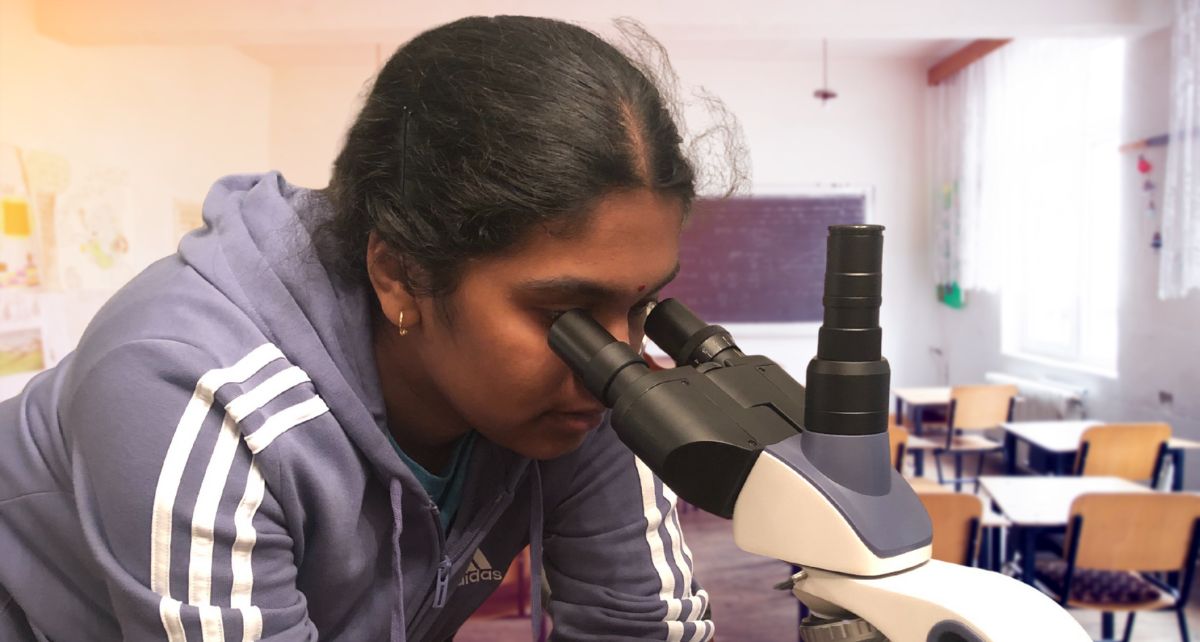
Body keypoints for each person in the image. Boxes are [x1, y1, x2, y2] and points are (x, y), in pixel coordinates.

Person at [0, 15, 728, 642]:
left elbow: (637, 627)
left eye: (639, 308)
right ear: (400, 273)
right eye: (560, 313)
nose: (613, 359)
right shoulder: (190, 386)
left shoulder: (586, 381)